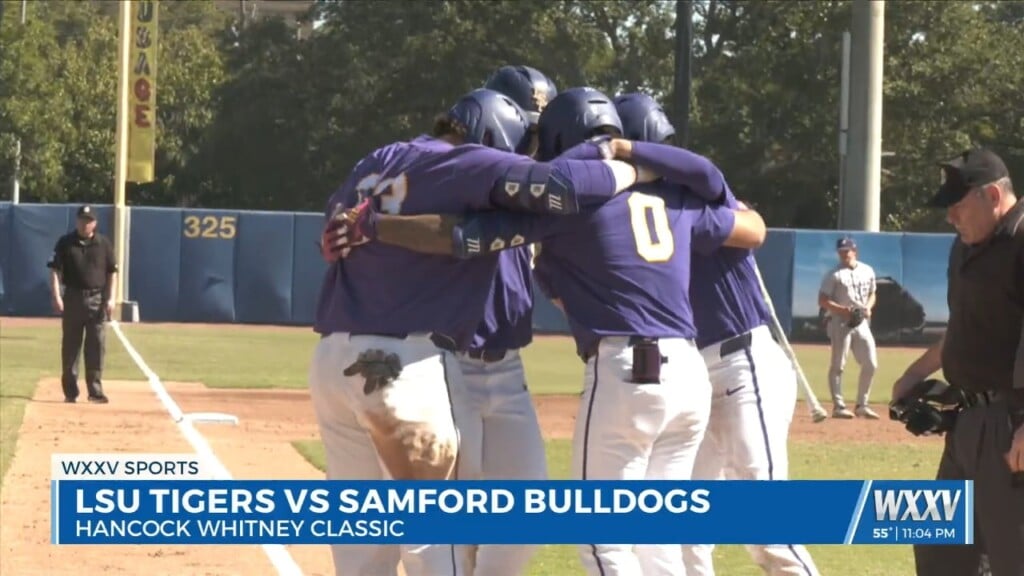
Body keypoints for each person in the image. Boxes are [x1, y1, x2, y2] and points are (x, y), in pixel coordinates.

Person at [331, 86, 769, 576]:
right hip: (690, 374)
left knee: (602, 539)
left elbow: (465, 235)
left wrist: (379, 228)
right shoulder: (675, 198)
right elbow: (740, 213)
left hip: (626, 369)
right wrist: (643, 159)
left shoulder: (574, 207)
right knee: (658, 536)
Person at [607, 92, 821, 576]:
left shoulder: (696, 200)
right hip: (695, 381)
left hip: (747, 366)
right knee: (683, 529)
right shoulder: (626, 218)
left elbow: (715, 184)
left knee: (764, 523)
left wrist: (625, 151)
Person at [432, 65, 557, 576]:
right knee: (453, 525)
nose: (533, 141)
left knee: (527, 512)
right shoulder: (454, 173)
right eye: (527, 128)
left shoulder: (532, 185)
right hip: (446, 366)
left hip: (507, 369)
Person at [891, 148, 1024, 576]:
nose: (951, 217)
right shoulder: (966, 247)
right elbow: (969, 328)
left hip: (1010, 424)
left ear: (991, 195)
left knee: (1011, 557)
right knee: (942, 553)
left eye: (958, 206)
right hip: (969, 423)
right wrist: (918, 373)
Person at [46, 205, 116, 404]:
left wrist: (111, 298)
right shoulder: (65, 243)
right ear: (76, 221)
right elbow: (53, 270)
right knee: (71, 346)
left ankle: (95, 391)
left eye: (89, 220)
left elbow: (112, 273)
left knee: (96, 346)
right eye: (82, 220)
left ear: (95, 223)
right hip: (73, 298)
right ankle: (70, 391)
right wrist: (57, 296)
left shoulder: (104, 244)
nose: (85, 224)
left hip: (97, 299)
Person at [818, 236, 879, 419]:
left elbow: (872, 293)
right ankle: (838, 406)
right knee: (838, 365)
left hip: (861, 322)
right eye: (841, 251)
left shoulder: (867, 270)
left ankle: (862, 405)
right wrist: (843, 310)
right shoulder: (833, 274)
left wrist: (868, 307)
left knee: (871, 363)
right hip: (840, 322)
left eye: (847, 250)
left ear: (855, 251)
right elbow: (822, 300)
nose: (845, 254)